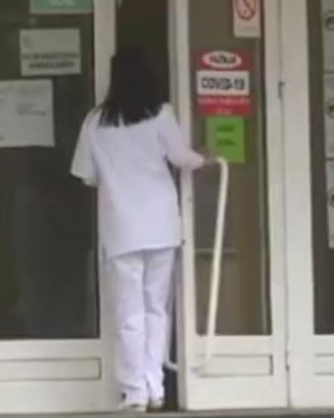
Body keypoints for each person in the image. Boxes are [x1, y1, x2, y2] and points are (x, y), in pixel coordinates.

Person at [71, 46, 211, 413]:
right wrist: (205, 158)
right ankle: (155, 385)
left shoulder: (95, 122)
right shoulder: (161, 114)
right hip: (161, 225)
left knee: (129, 313)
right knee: (156, 309)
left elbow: (86, 175)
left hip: (121, 228)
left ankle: (134, 392)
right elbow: (181, 158)